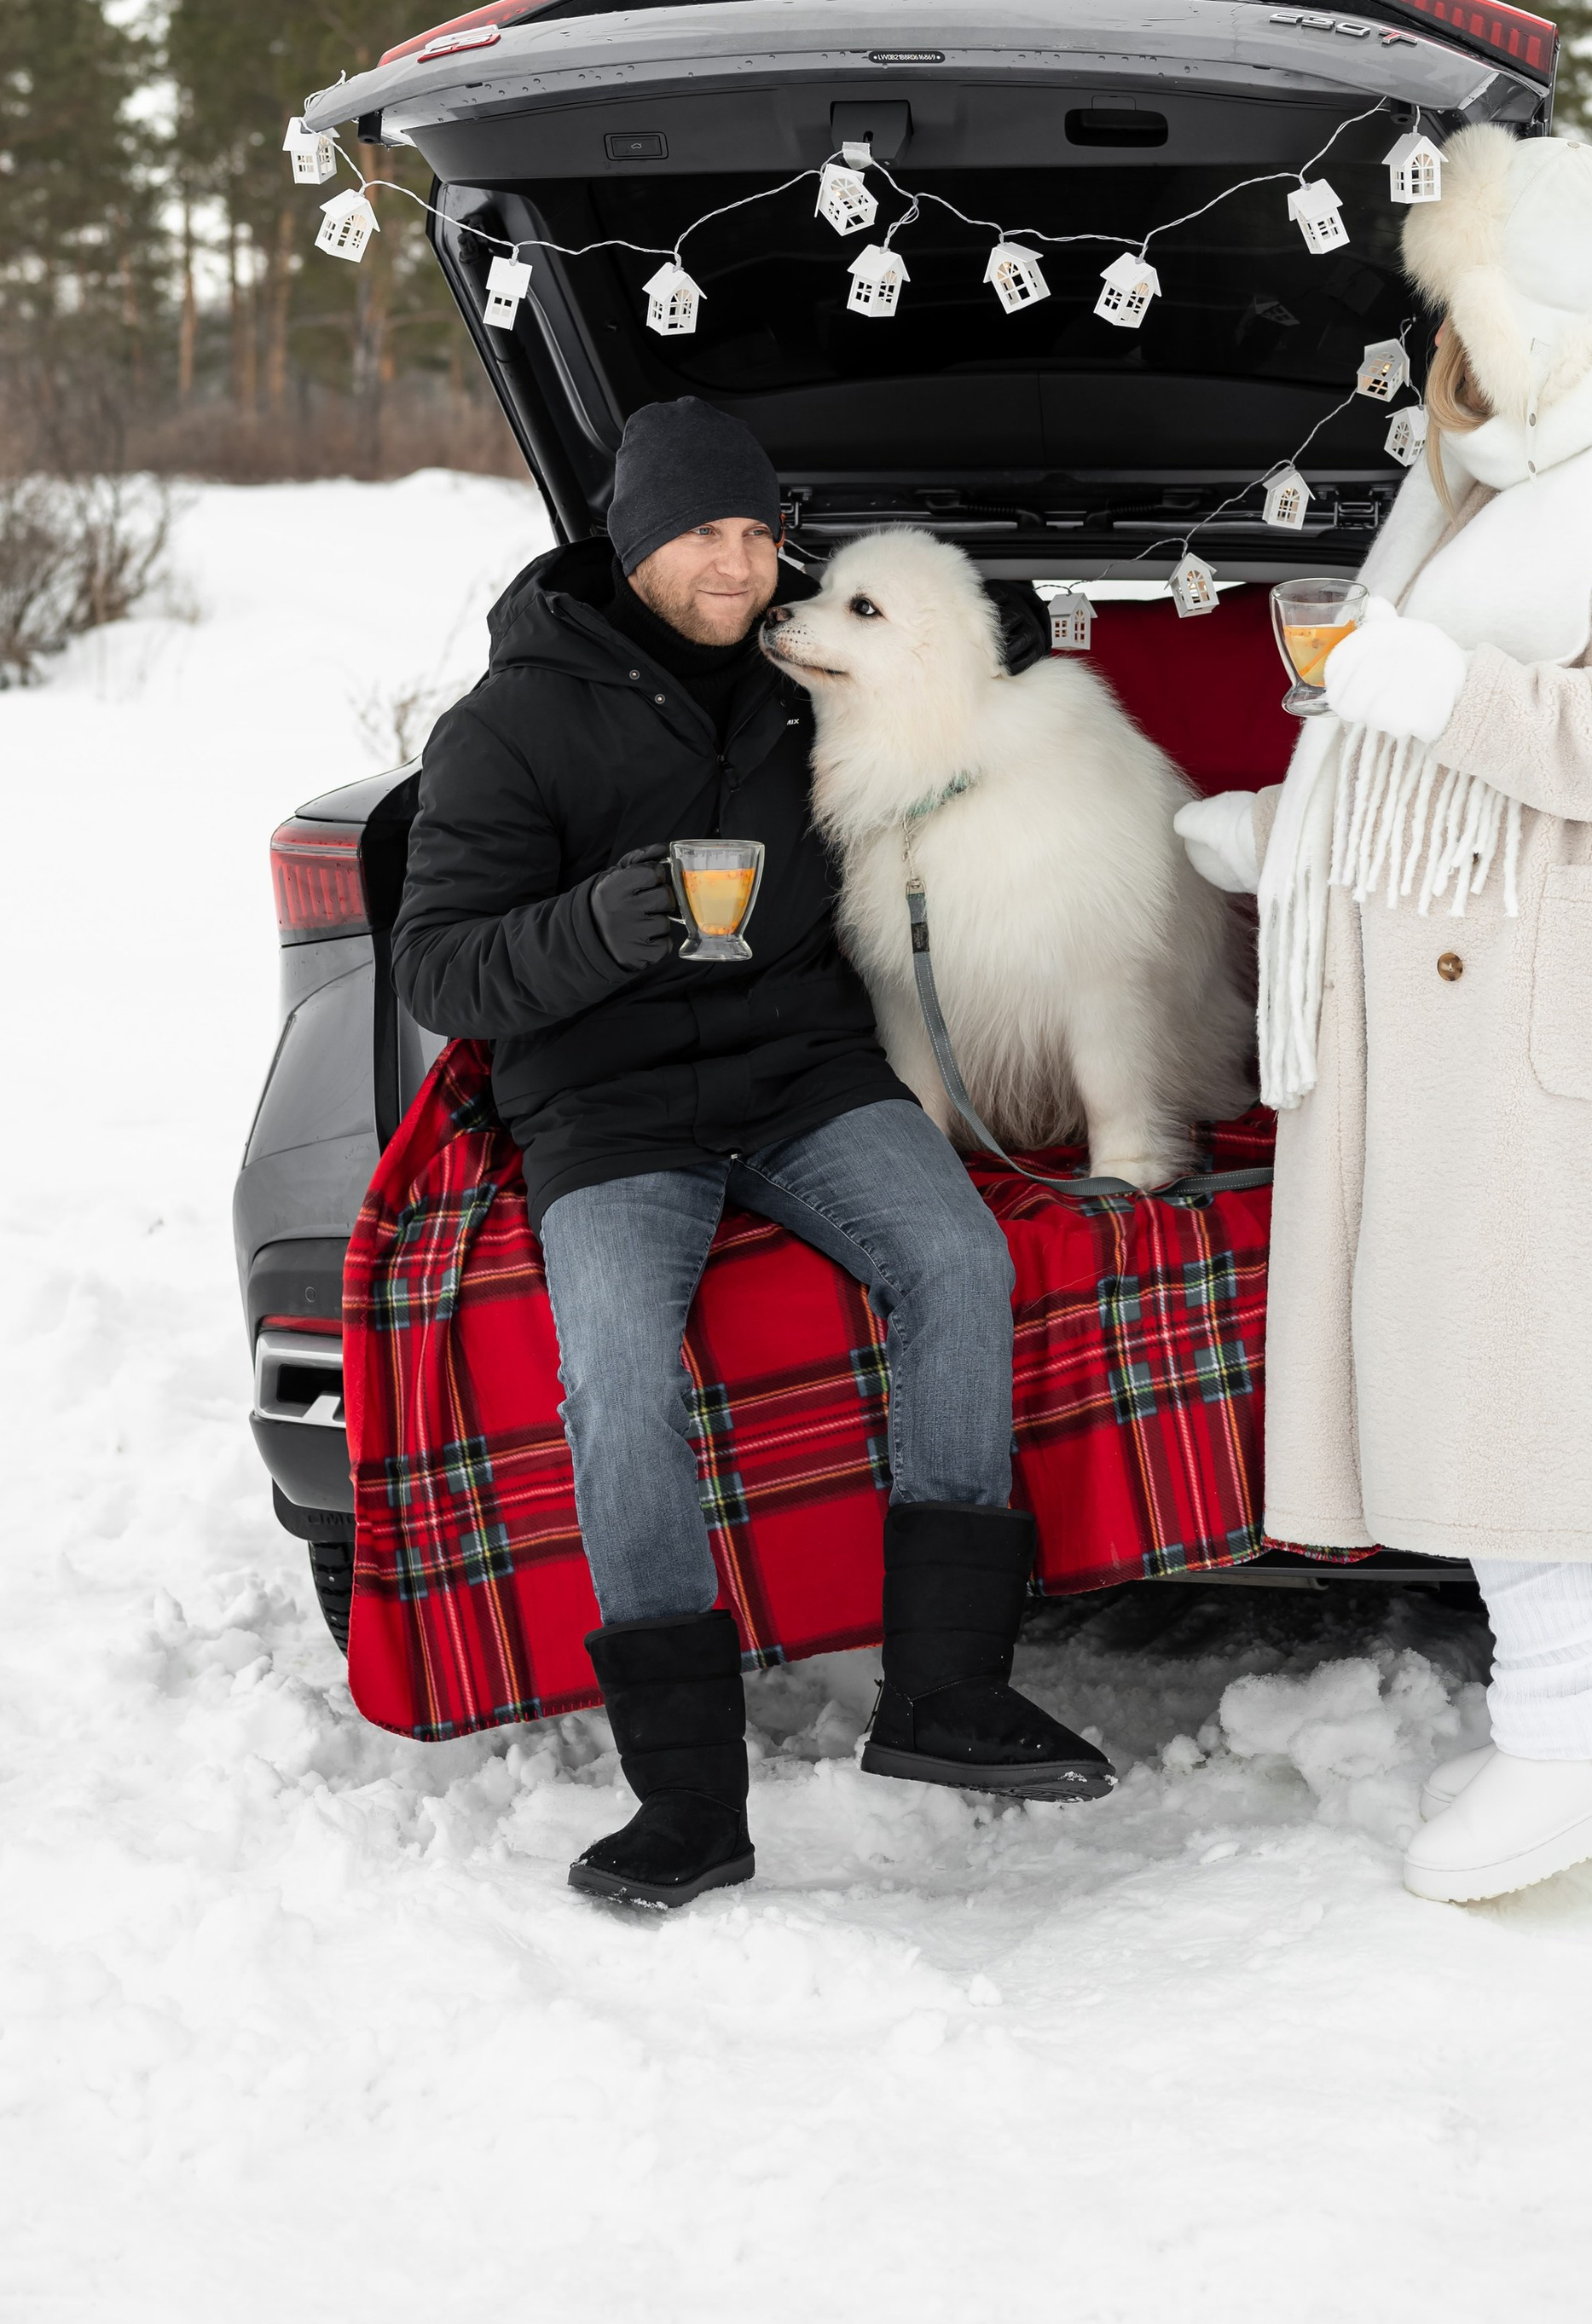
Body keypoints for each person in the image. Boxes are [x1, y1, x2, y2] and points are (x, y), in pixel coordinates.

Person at [1177, 128, 1592, 1905]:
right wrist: (1293, 835)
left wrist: (1437, 686)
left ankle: (1559, 1740)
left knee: (1527, 1386)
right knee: (1499, 1373)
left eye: (1463, 311)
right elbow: (1394, 748)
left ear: (1543, 307)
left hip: (1567, 1027)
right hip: (1461, 1022)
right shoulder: (1483, 478)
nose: (1442, 353)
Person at [393, 397, 1109, 1908]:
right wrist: (600, 925)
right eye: (703, 534)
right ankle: (689, 1799)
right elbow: (440, 971)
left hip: (803, 1072)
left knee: (959, 1257)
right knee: (614, 1371)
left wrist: (1003, 625)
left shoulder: (792, 684)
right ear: (633, 538)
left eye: (758, 534)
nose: (737, 565)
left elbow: (928, 682)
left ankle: (944, 1695)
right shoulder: (509, 724)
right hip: (610, 1106)